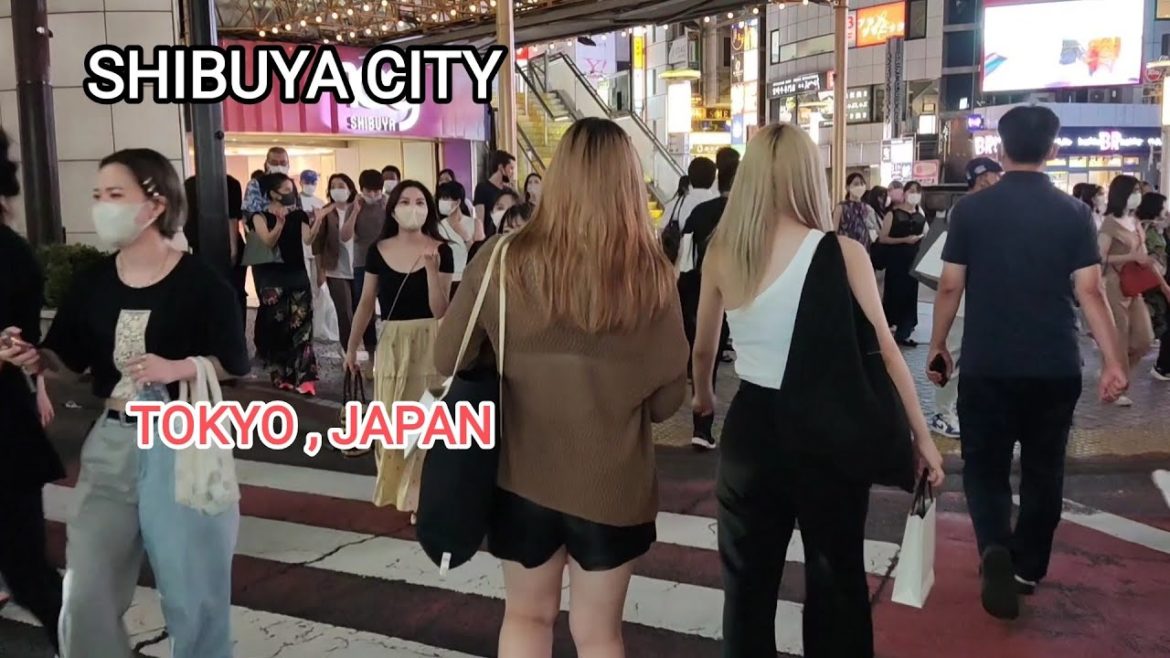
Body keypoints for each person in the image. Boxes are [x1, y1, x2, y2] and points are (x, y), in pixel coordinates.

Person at [436, 117, 687, 658]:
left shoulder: (502, 258)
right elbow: (670, 401)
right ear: (628, 183)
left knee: (526, 618)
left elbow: (447, 356)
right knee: (599, 634)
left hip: (520, 477)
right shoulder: (652, 276)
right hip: (613, 486)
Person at [691, 123, 943, 657]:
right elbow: (888, 353)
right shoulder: (842, 251)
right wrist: (921, 436)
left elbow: (703, 352)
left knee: (747, 587)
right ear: (810, 176)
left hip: (750, 429)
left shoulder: (723, 252)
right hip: (827, 431)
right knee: (837, 580)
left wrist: (703, 402)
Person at [2, 148, 249, 658]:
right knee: (86, 589)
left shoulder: (201, 282)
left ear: (155, 204)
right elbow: (68, 356)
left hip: (183, 445)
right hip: (112, 441)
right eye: (97, 195)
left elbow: (235, 362)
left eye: (116, 195)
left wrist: (180, 367)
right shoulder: (93, 282)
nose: (101, 206)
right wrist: (34, 357)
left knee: (192, 592)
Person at [929, 105, 1127, 620]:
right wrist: (1112, 361)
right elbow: (1090, 292)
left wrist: (938, 345)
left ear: (1000, 147)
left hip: (988, 364)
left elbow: (950, 283)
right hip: (1055, 364)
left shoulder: (971, 211)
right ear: (1054, 151)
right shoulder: (1075, 213)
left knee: (985, 467)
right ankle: (1027, 566)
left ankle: (994, 544)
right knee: (1044, 469)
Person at [0, 127, 64, 654]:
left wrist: (31, 366)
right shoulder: (15, 252)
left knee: (28, 570)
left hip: (4, 433)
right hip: (8, 430)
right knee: (28, 570)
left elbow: (23, 340)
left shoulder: (14, 255)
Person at [344, 181, 453, 473]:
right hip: (392, 340)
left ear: (428, 210)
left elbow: (440, 310)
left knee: (428, 422)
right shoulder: (377, 251)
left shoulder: (443, 251)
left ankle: (423, 494)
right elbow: (366, 303)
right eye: (405, 202)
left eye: (419, 202)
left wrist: (431, 270)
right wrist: (352, 349)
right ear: (392, 210)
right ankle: (397, 489)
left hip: (431, 341)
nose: (412, 208)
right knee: (393, 419)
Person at [926, 157, 1004, 439]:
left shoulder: (989, 209)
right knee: (952, 354)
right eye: (991, 178)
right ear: (980, 181)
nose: (996, 182)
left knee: (974, 357)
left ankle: (959, 409)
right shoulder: (965, 210)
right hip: (961, 299)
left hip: (983, 299)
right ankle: (941, 413)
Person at [678, 147, 739, 451]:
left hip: (702, 293)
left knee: (707, 357)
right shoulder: (751, 214)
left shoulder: (700, 212)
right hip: (743, 297)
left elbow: (685, 260)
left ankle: (702, 427)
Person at [250, 172, 323, 394]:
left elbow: (308, 238)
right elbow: (268, 242)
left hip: (297, 275)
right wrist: (279, 224)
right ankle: (281, 374)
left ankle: (306, 377)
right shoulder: (259, 217)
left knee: (303, 327)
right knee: (278, 329)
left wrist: (318, 220)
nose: (290, 193)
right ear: (272, 193)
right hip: (273, 279)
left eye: (291, 188)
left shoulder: (298, 214)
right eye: (285, 189)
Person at [1098, 175, 1159, 406]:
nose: (1137, 195)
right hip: (1114, 284)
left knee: (1144, 338)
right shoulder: (1110, 224)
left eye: (1138, 190)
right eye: (1133, 190)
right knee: (1119, 336)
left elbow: (1142, 252)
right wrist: (1130, 256)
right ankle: (1117, 386)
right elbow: (1100, 256)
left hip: (1134, 284)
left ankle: (1118, 375)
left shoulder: (1135, 222)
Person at [183, 174, 245, 326]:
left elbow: (232, 219)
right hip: (202, 246)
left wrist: (233, 248)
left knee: (231, 292)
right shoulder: (190, 185)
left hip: (219, 246)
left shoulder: (229, 183)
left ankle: (234, 332)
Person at [878, 180, 927, 346]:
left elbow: (925, 235)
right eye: (911, 190)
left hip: (913, 261)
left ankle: (904, 331)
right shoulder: (893, 214)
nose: (914, 194)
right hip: (896, 261)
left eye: (917, 191)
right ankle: (889, 326)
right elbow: (883, 238)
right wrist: (904, 239)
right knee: (894, 293)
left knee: (910, 294)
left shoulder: (920, 215)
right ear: (905, 193)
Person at [317, 173, 360, 358]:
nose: (337, 189)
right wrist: (320, 270)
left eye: (341, 185)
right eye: (333, 186)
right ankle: (349, 350)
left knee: (361, 309)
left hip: (359, 267)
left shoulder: (359, 208)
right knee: (345, 312)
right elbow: (317, 243)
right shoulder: (327, 211)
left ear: (350, 188)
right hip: (336, 269)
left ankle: (364, 347)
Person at [351, 169, 389, 375]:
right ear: (361, 189)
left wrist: (387, 209)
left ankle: (387, 356)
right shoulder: (355, 205)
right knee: (365, 311)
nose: (374, 195)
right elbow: (345, 235)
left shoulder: (388, 204)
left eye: (377, 191)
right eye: (369, 191)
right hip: (362, 264)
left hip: (387, 262)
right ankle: (371, 357)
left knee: (388, 309)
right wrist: (355, 211)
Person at [436, 180, 485, 298]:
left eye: (446, 198)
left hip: (470, 281)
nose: (442, 202)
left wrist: (465, 236)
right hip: (446, 281)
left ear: (457, 201)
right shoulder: (437, 227)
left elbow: (481, 256)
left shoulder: (475, 223)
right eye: (441, 198)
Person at [833, 173, 881, 249]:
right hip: (846, 248)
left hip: (864, 247)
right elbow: (834, 231)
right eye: (856, 184)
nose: (859, 186)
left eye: (862, 184)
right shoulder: (841, 207)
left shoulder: (868, 208)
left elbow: (876, 229)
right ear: (848, 187)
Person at [473, 150, 515, 234]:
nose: (512, 172)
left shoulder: (509, 191)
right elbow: (480, 219)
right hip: (489, 237)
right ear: (501, 167)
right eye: (510, 168)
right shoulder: (482, 188)